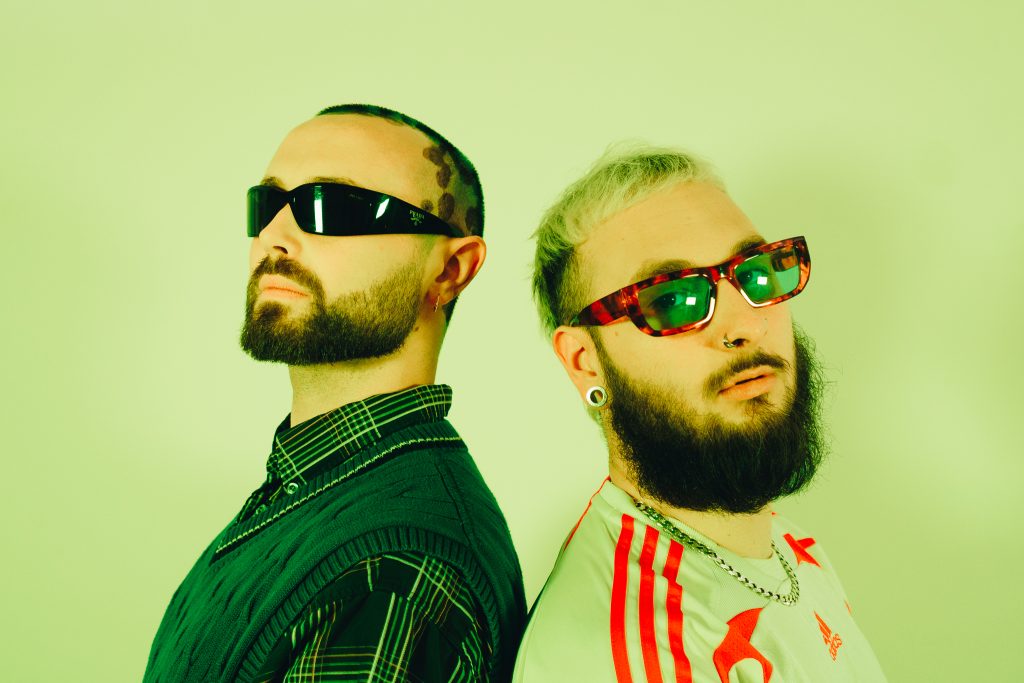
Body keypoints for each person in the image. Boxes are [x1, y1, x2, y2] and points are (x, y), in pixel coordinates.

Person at [144, 104, 526, 682]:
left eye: (333, 207)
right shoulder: (311, 487)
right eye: (267, 205)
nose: (275, 238)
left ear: (451, 270)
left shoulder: (393, 573)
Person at [514, 145, 886, 681]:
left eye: (756, 272)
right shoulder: (634, 655)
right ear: (585, 361)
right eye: (672, 300)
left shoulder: (792, 551)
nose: (746, 325)